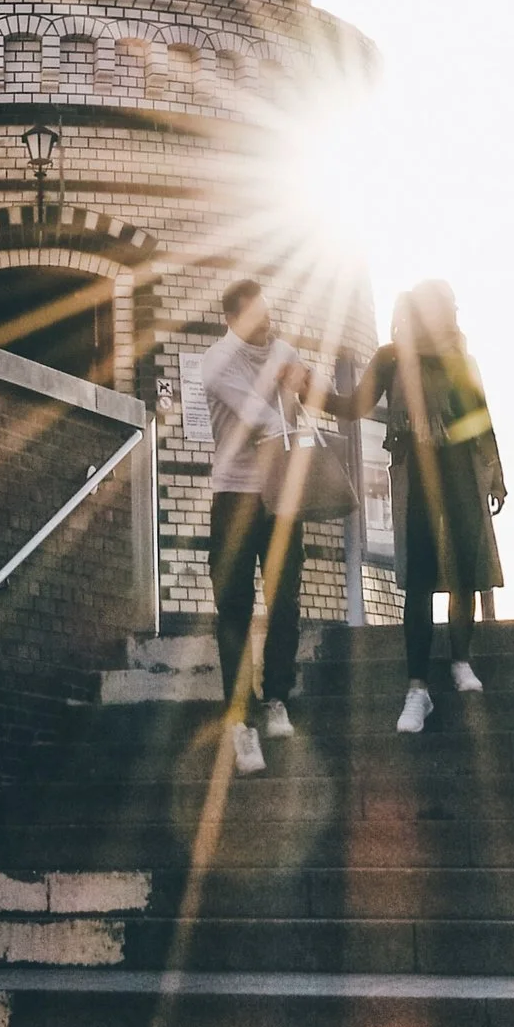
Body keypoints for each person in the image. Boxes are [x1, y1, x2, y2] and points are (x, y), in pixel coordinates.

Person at [366, 281, 505, 737]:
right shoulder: (392, 359)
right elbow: (355, 404)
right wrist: (308, 390)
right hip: (417, 480)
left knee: (464, 570)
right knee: (420, 581)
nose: (449, 316)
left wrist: (497, 475)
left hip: (461, 473)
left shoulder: (462, 361)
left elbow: (481, 420)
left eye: (450, 308)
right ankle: (417, 688)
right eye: (442, 308)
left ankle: (461, 660)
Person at [198, 277, 305, 777]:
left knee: (284, 599)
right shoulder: (218, 361)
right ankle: (240, 720)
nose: (267, 322)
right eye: (255, 316)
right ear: (231, 320)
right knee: (235, 608)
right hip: (235, 496)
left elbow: (307, 397)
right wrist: (289, 384)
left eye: (267, 311)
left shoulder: (282, 350)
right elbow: (261, 418)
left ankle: (277, 698)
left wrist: (301, 382)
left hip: (279, 496)